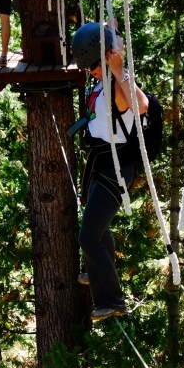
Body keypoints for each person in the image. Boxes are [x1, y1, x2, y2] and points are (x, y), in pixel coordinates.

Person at [71, 21, 148, 322]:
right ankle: (96, 268)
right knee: (97, 231)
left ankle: (112, 300)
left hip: (115, 168)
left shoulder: (116, 82)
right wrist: (108, 28)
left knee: (88, 238)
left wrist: (118, 69)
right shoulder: (99, 79)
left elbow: (141, 105)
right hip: (102, 163)